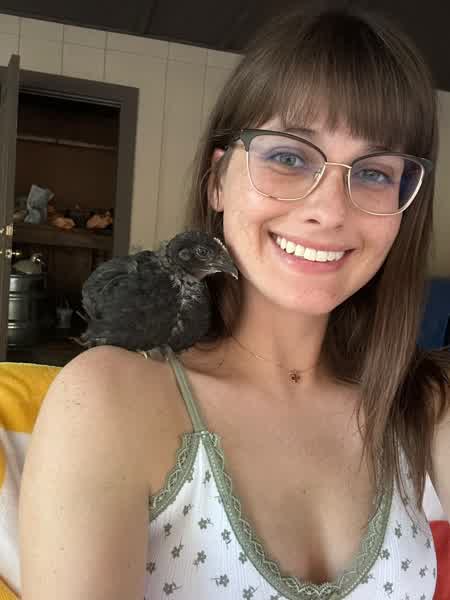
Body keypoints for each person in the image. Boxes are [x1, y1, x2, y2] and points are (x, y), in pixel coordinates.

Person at [19, 3, 450, 599]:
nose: (329, 209)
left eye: (375, 172)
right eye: (289, 157)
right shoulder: (110, 399)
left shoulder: (425, 405)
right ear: (217, 181)